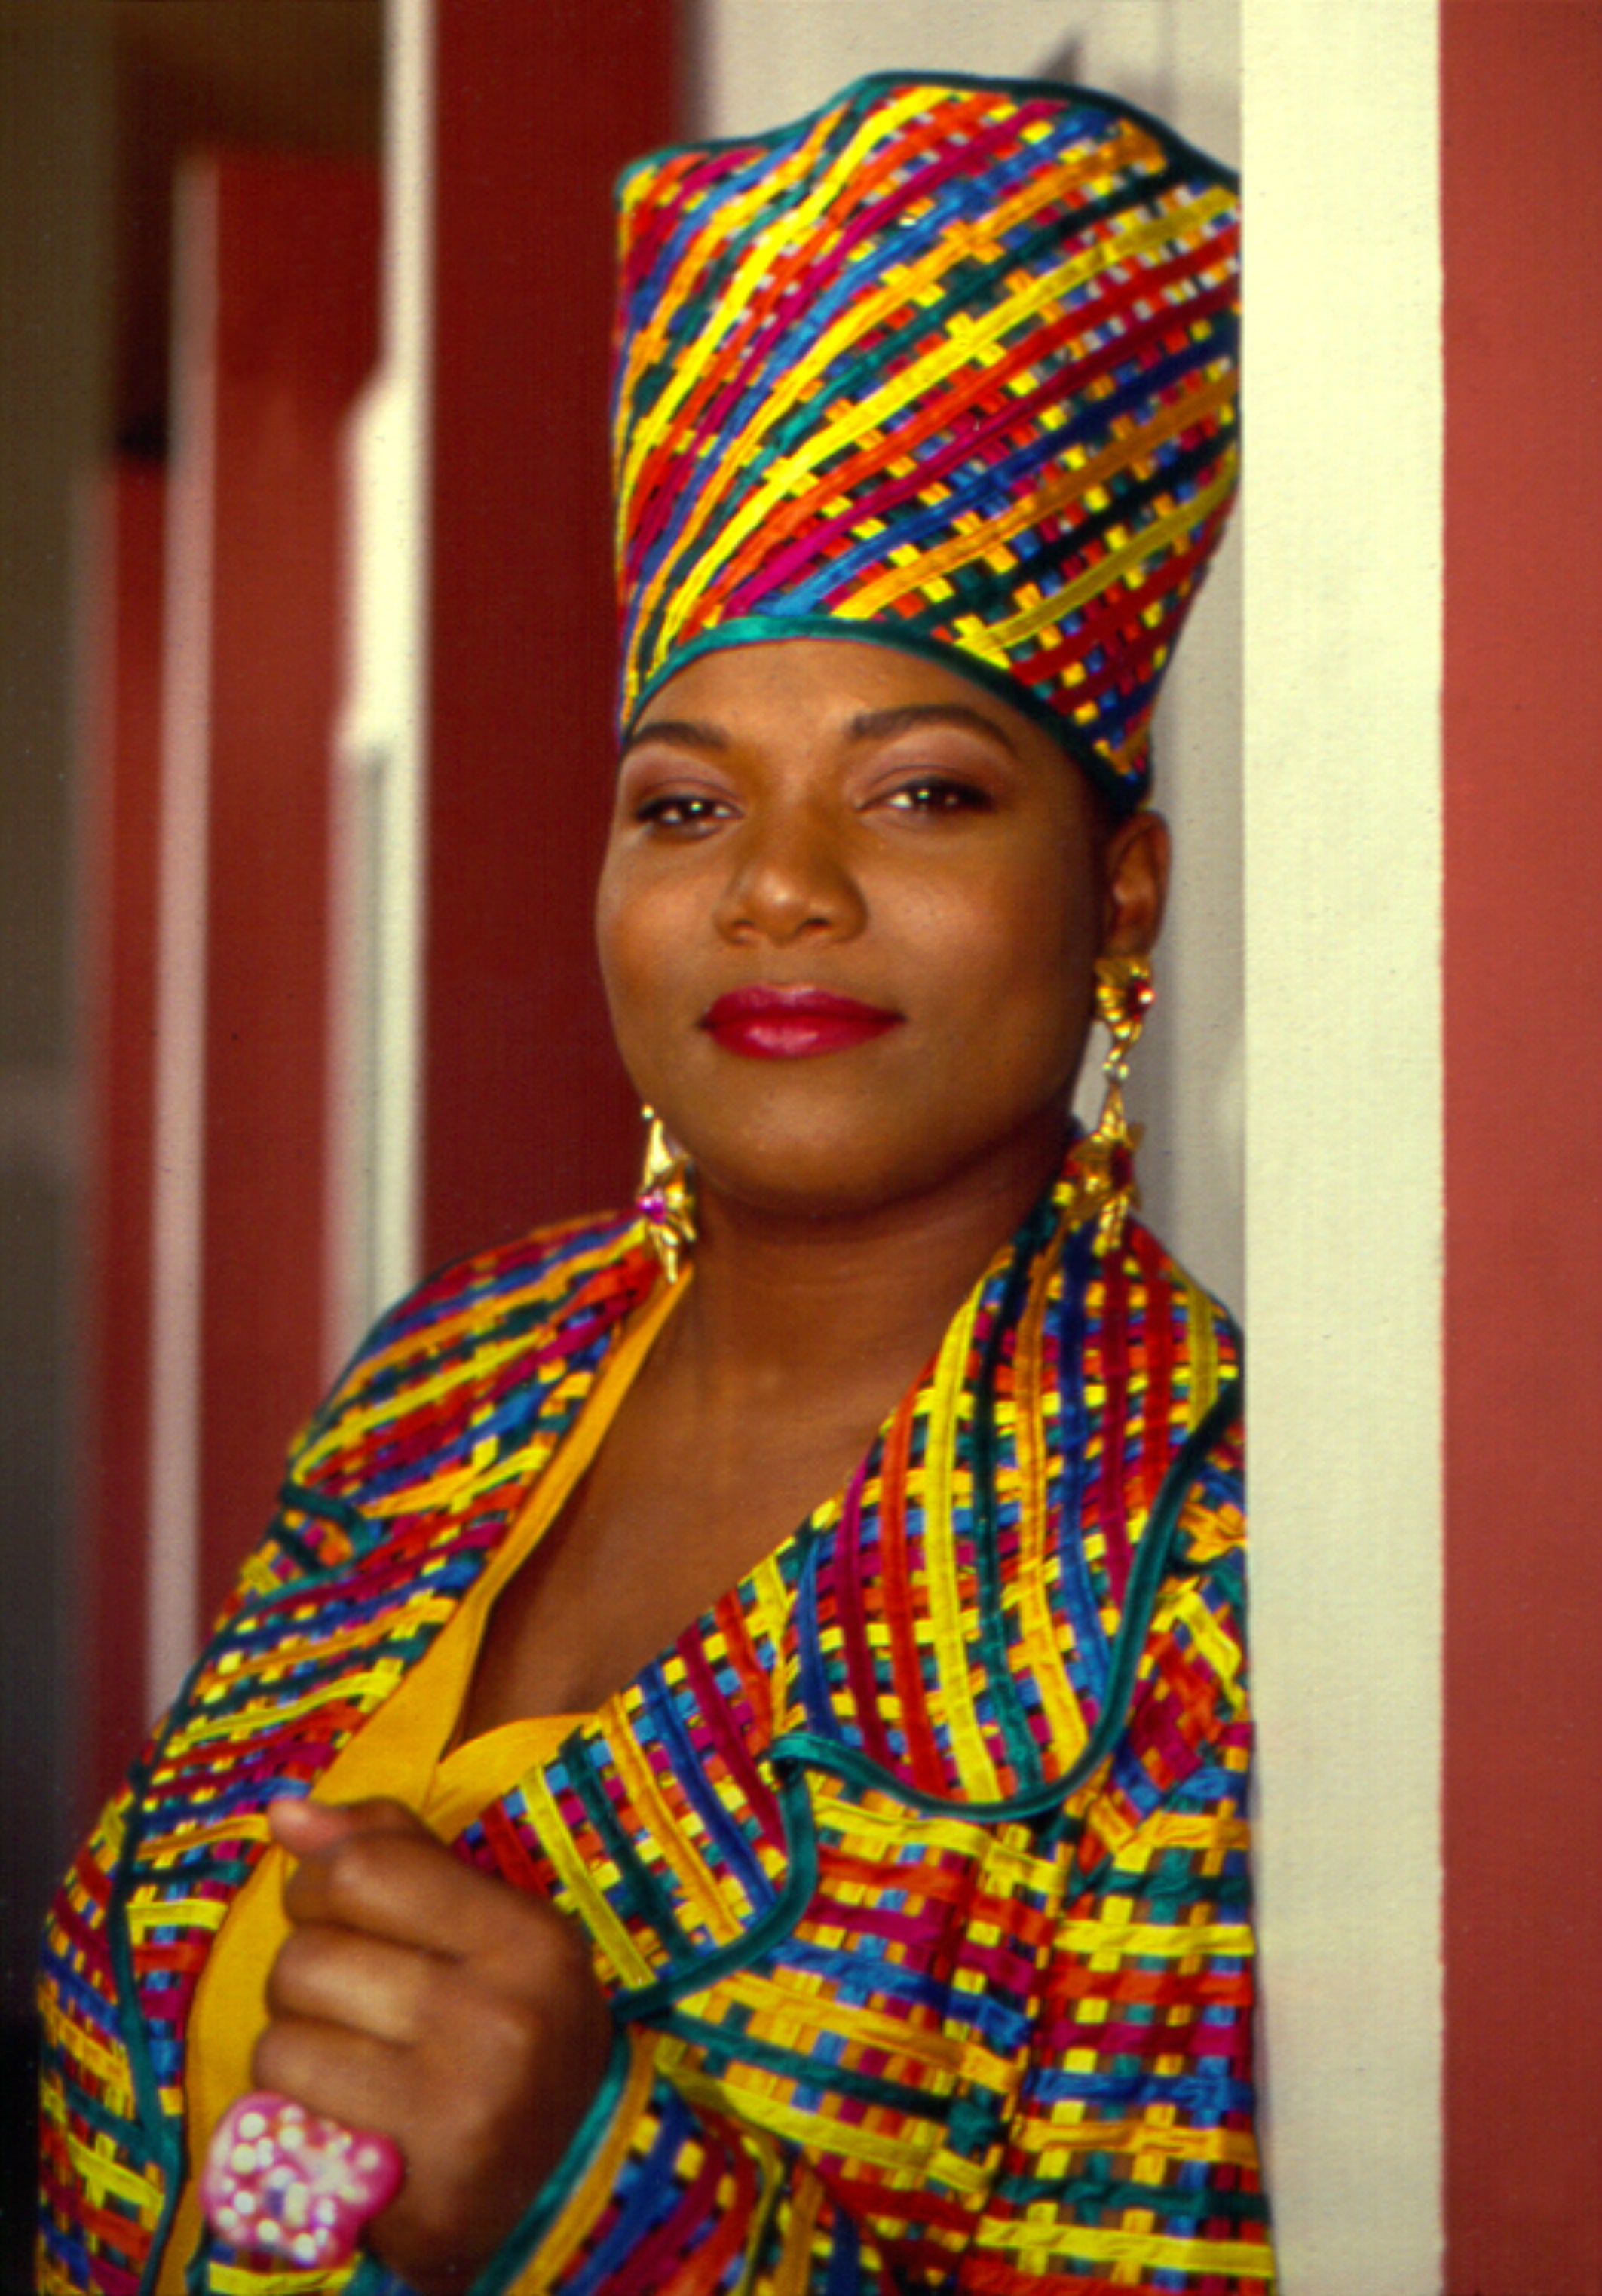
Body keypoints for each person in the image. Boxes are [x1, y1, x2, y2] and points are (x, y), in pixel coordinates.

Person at [39, 70, 1266, 2296]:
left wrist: (594, 2199)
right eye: (687, 807)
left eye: (921, 794)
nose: (777, 889)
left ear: (1122, 894)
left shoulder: (1191, 1575)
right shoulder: (456, 1376)